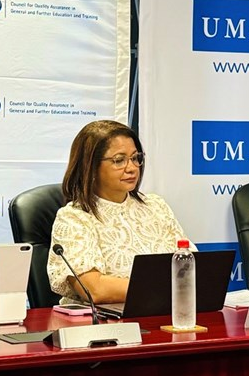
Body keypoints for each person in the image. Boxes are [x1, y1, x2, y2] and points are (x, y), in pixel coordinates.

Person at [47, 119, 186, 305]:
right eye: (119, 160)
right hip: (104, 319)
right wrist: (169, 287)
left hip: (164, 312)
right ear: (91, 166)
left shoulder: (155, 206)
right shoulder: (74, 218)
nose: (132, 168)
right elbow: (95, 289)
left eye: (135, 158)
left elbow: (190, 266)